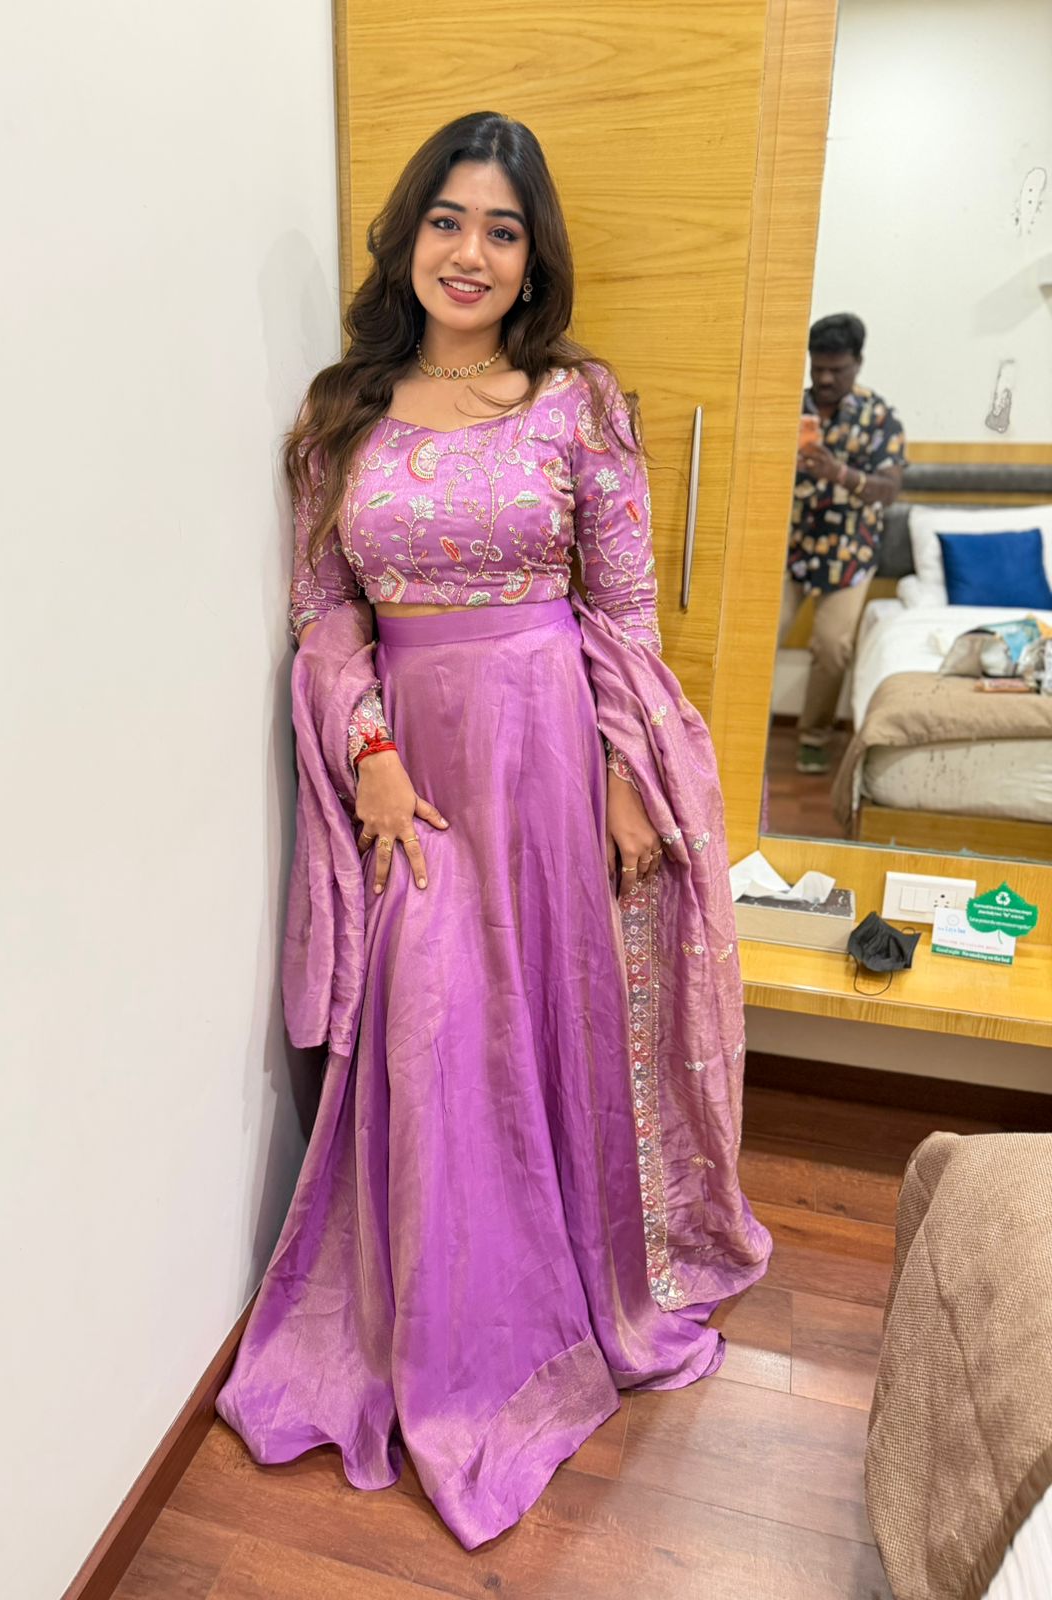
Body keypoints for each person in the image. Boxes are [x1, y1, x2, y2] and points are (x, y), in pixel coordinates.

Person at [216, 110, 771, 1551]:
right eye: (449, 220)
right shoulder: (339, 417)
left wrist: (626, 774)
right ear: (408, 237)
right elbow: (324, 613)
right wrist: (369, 757)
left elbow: (622, 609)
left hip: (549, 748)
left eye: (503, 231)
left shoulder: (578, 403)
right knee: (433, 1031)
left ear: (534, 261)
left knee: (548, 1020)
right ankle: (448, 1333)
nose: (470, 252)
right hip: (418, 766)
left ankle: (579, 1287)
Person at [782, 312, 907, 774]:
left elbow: (889, 489)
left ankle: (814, 738)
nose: (825, 379)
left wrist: (838, 472)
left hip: (848, 553)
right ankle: (740, 725)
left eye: (837, 369)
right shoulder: (791, 408)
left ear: (858, 363)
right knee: (758, 633)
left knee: (832, 648)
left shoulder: (879, 418)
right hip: (790, 546)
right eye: (818, 368)